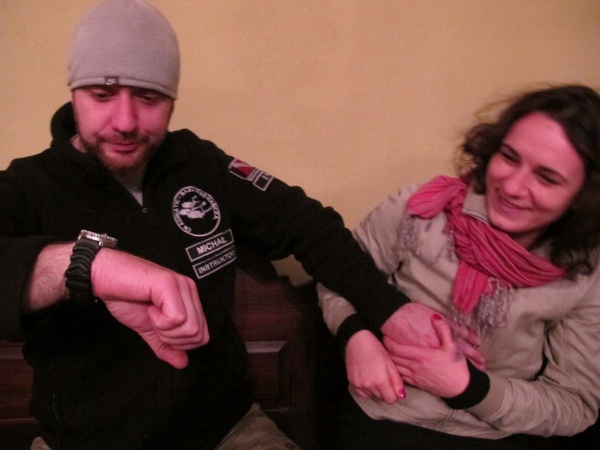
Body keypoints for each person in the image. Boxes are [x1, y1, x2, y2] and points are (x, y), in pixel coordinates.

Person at [0, 1, 439, 449]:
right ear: (74, 93)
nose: (126, 121)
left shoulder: (199, 162)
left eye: (149, 97)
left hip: (226, 430)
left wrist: (391, 311)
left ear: (172, 100)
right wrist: (90, 266)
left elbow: (310, 225)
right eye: (102, 95)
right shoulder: (27, 185)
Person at [318, 84, 600, 449]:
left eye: (546, 178)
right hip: (384, 417)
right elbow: (335, 272)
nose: (513, 187)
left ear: (583, 196)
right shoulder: (419, 209)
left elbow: (574, 404)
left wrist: (469, 387)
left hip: (496, 434)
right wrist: (356, 337)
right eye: (509, 157)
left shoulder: (584, 270)